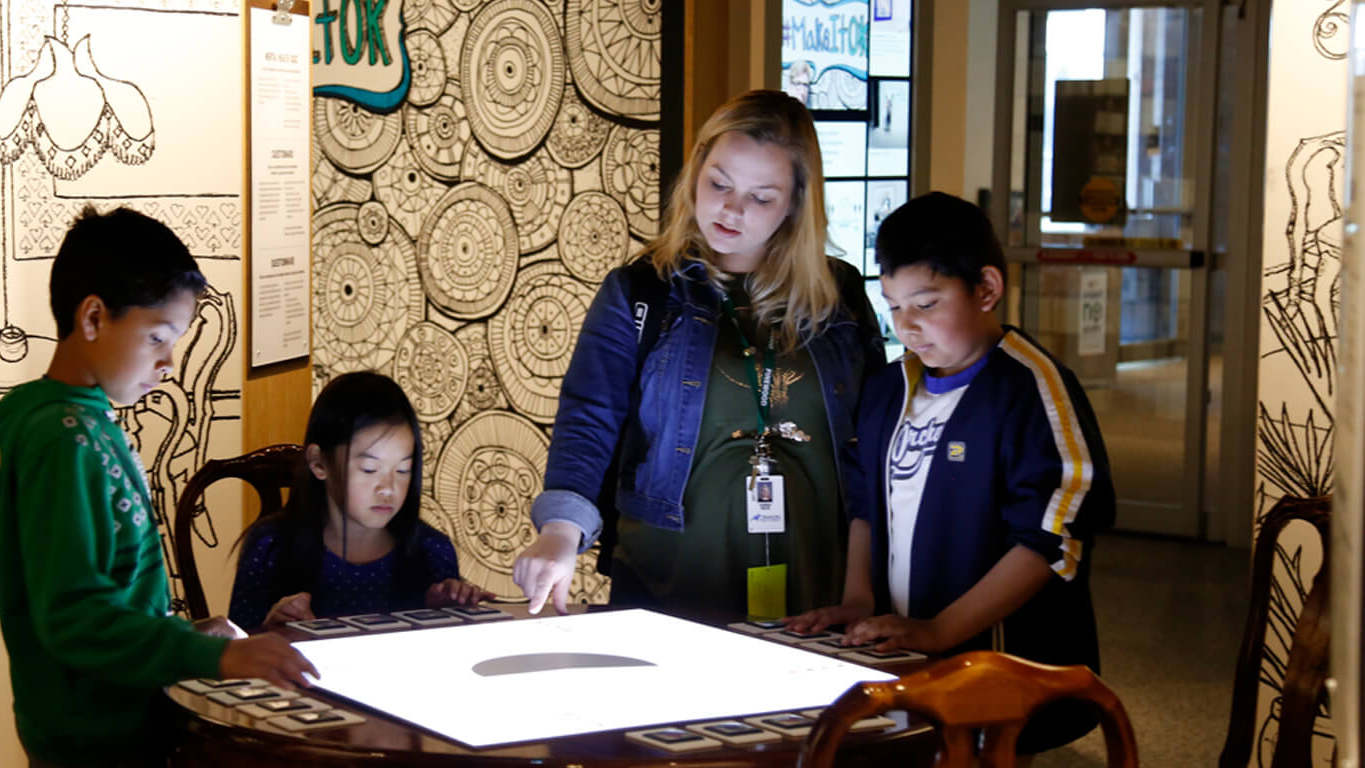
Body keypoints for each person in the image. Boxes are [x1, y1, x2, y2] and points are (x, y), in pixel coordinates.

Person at [0, 205, 317, 767]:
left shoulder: (61, 419)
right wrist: (212, 658)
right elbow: (75, 618)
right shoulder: (60, 438)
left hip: (107, 720)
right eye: (157, 337)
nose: (169, 361)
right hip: (97, 738)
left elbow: (101, 594)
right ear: (94, 318)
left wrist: (183, 634)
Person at [513, 89, 884, 620]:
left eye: (762, 197)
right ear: (696, 172)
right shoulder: (643, 291)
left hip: (818, 592)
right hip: (671, 587)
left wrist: (860, 591)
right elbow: (589, 419)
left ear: (796, 204)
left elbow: (869, 450)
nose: (732, 209)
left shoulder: (839, 297)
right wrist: (559, 532)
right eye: (719, 183)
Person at [788, 192, 1115, 754]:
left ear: (986, 289)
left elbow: (1050, 540)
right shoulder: (890, 388)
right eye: (893, 306)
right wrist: (859, 599)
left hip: (1003, 667)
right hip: (913, 660)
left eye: (927, 303)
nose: (907, 326)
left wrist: (943, 629)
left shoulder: (1032, 388)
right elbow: (867, 502)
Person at [228, 371, 490, 630]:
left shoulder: (432, 551)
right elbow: (235, 655)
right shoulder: (270, 547)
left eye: (402, 470)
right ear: (319, 463)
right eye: (369, 470)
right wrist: (273, 630)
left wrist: (444, 614)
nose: (388, 489)